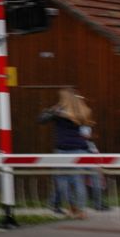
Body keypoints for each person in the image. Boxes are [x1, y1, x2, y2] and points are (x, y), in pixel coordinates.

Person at [39, 89, 92, 219]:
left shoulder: (58, 113)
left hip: (62, 149)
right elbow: (86, 133)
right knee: (77, 180)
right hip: (80, 149)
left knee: (62, 180)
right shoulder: (83, 112)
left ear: (64, 99)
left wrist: (52, 109)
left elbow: (41, 120)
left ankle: (72, 208)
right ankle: (81, 210)